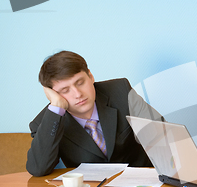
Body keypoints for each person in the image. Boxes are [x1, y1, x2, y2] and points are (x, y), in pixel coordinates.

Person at [27, 51, 162, 177]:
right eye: (65, 90)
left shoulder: (121, 91)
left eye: (80, 83)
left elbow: (162, 136)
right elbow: (38, 169)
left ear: (90, 76)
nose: (78, 94)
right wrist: (56, 107)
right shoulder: (47, 122)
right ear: (53, 94)